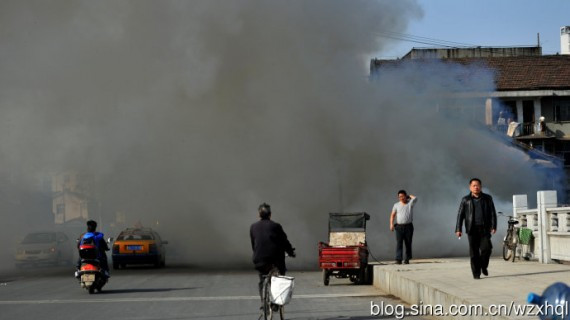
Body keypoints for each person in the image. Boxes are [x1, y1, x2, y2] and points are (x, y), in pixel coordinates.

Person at [250, 203, 295, 300]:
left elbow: (254, 245)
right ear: (270, 214)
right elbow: (284, 242)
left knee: (262, 279)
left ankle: (263, 303)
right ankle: (276, 301)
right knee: (280, 277)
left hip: (259, 259)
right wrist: (291, 252)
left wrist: (257, 255)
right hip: (275, 259)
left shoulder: (253, 227)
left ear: (259, 215)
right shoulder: (276, 226)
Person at [455, 178, 497, 280]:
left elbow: (492, 213)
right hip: (472, 229)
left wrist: (494, 226)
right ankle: (476, 273)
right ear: (470, 187)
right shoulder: (465, 200)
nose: (476, 187)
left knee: (487, 249)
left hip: (484, 229)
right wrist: (458, 229)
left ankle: (483, 266)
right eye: (474, 185)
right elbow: (460, 215)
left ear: (481, 187)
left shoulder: (487, 198)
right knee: (474, 253)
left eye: (478, 185)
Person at [389, 190, 417, 264]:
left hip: (408, 226)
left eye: (402, 196)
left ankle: (407, 258)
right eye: (399, 197)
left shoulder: (410, 203)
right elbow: (392, 215)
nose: (401, 198)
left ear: (405, 196)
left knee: (408, 243)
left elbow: (415, 198)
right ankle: (398, 259)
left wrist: (409, 196)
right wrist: (391, 224)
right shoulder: (396, 205)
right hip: (399, 227)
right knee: (399, 243)